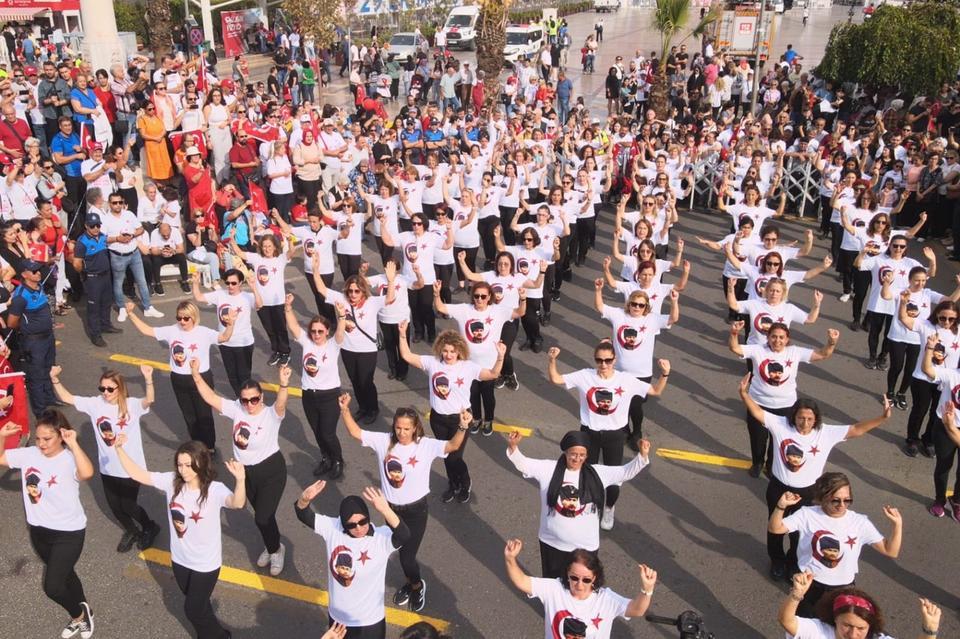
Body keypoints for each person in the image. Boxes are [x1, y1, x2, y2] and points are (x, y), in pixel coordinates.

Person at [740, 376, 891, 581]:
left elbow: (856, 429)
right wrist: (744, 394)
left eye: (810, 419)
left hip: (808, 492)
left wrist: (881, 418)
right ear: (794, 416)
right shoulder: (780, 424)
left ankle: (794, 562)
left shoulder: (825, 432)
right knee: (775, 527)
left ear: (816, 419)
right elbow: (757, 413)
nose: (805, 423)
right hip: (779, 488)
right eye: (801, 418)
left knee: (800, 532)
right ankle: (776, 560)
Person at [341, 396, 472, 612]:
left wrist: (463, 425)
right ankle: (410, 582)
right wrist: (345, 410)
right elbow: (356, 433)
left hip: (416, 511)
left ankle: (417, 585)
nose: (402, 432)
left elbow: (454, 445)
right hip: (390, 510)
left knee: (406, 557)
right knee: (401, 551)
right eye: (398, 428)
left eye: (406, 428)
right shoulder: (384, 441)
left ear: (415, 429)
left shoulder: (426, 446)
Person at [115, 437, 246, 639]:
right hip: (180, 560)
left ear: (201, 463)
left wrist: (240, 480)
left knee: (192, 610)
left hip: (206, 564)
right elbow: (138, 474)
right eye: (180, 464)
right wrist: (118, 448)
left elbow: (237, 503)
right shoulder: (171, 482)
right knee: (199, 607)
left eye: (188, 465)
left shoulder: (214, 490)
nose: (183, 470)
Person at [546, 343, 670, 530]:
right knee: (587, 475)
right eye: (599, 360)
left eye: (608, 360)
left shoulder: (626, 380)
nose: (603, 364)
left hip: (614, 436)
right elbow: (555, 379)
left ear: (614, 360)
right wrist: (552, 360)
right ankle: (590, 506)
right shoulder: (585, 376)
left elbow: (655, 391)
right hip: (589, 434)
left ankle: (609, 507)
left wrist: (665, 374)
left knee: (614, 479)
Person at [0, 409, 96, 639]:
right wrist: (2, 435)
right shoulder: (30, 454)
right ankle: (86, 609)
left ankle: (79, 616)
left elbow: (88, 473)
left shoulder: (71, 458)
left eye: (47, 439)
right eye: (38, 438)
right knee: (65, 574)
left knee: (52, 587)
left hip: (69, 533)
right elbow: (1, 458)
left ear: (61, 436)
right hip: (39, 531)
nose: (41, 444)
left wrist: (74, 444)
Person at [191, 360, 291, 576]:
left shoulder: (271, 414)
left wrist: (283, 385)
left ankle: (276, 550)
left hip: (271, 471)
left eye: (254, 399)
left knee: (262, 517)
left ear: (261, 397)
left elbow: (281, 404)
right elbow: (211, 398)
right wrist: (196, 375)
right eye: (245, 400)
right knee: (263, 516)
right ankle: (272, 544)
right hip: (245, 474)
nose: (250, 404)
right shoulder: (237, 409)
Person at [507, 429, 651, 578]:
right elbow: (523, 463)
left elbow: (625, 472)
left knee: (580, 588)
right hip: (551, 542)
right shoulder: (548, 469)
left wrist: (642, 455)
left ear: (587, 455)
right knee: (552, 586)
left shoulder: (597, 474)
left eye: (582, 455)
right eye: (573, 454)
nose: (577, 459)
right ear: (566, 453)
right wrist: (513, 446)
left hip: (585, 547)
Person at [50, 365, 162, 553]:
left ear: (120, 388)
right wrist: (55, 378)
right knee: (114, 506)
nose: (106, 392)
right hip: (108, 468)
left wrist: (148, 378)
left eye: (110, 389)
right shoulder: (95, 404)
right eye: (102, 388)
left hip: (130, 467)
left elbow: (149, 399)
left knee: (128, 504)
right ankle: (132, 531)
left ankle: (149, 526)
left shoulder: (131, 405)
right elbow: (67, 398)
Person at [769, 472, 903, 616]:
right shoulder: (807, 514)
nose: (842, 505)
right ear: (823, 498)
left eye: (847, 500)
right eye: (835, 500)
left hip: (843, 589)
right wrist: (781, 506)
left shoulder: (860, 522)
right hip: (809, 585)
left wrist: (897, 525)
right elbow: (775, 528)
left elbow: (890, 551)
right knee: (805, 627)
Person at [398, 325, 504, 502]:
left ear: (459, 351)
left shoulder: (468, 367)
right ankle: (453, 484)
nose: (448, 355)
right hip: (438, 419)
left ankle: (464, 481)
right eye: (445, 350)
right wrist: (402, 335)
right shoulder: (433, 363)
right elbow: (407, 356)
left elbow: (493, 374)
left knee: (455, 456)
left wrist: (500, 356)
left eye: (452, 351)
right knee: (445, 454)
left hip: (460, 420)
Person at [294, 481, 410, 638]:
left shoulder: (380, 538)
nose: (359, 528)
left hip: (370, 622)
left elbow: (404, 535)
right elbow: (303, 514)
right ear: (343, 524)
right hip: (338, 620)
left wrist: (385, 509)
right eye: (351, 525)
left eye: (363, 521)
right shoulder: (333, 529)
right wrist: (304, 499)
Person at [729, 321, 839, 477]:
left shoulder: (794, 352)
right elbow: (735, 348)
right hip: (758, 404)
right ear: (768, 337)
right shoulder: (758, 350)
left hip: (785, 407)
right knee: (757, 438)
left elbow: (823, 354)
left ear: (787, 339)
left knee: (778, 440)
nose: (777, 341)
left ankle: (771, 466)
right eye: (773, 337)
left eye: (781, 337)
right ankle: (757, 463)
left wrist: (831, 342)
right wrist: (734, 334)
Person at [124, 300, 236, 453]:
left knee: (204, 415)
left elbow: (224, 338)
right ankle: (197, 445)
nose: (182, 322)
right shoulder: (172, 330)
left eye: (185, 318)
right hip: (178, 378)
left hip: (201, 378)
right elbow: (147, 330)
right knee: (189, 415)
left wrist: (230, 324)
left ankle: (209, 446)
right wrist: (131, 314)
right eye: (179, 318)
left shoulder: (204, 332)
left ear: (194, 317)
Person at [503, 538, 657, 639]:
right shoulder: (554, 589)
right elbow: (522, 581)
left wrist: (647, 590)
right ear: (567, 574)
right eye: (574, 578)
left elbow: (637, 610)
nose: (579, 584)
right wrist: (510, 559)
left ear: (595, 578)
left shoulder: (606, 599)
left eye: (587, 579)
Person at [311, 258, 398, 424]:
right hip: (347, 348)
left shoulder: (372, 303)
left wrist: (391, 280)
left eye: (357, 291)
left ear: (363, 292)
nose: (352, 294)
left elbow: (389, 298)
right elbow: (322, 289)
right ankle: (363, 407)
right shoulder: (342, 299)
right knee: (355, 380)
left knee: (366, 381)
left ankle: (372, 409)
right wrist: (315, 270)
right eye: (350, 291)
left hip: (367, 350)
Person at [595, 279, 679, 450]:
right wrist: (598, 290)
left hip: (641, 372)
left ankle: (637, 432)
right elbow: (600, 307)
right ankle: (624, 429)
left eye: (641, 305)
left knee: (635, 405)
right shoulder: (619, 314)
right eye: (634, 304)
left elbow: (673, 318)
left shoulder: (652, 320)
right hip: (618, 371)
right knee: (619, 401)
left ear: (646, 307)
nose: (637, 308)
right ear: (629, 304)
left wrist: (675, 301)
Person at [434, 281, 522, 435]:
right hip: (467, 365)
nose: (479, 299)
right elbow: (441, 307)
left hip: (488, 365)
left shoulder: (498, 311)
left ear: (489, 297)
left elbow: (520, 312)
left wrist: (523, 299)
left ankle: (488, 420)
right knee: (472, 394)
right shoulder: (464, 310)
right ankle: (476, 418)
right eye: (476, 296)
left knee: (488, 395)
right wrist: (436, 294)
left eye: (483, 296)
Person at [285, 292, 347, 478]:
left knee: (327, 433)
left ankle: (337, 460)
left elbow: (341, 332)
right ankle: (325, 458)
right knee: (317, 431)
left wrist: (341, 315)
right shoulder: (307, 343)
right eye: (313, 331)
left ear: (327, 331)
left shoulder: (333, 345)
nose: (316, 334)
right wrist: (288, 308)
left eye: (320, 331)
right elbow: (294, 327)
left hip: (329, 396)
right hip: (309, 395)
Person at [779, 571, 941, 639]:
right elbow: (787, 621)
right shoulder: (819, 632)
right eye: (847, 625)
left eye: (861, 628)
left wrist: (930, 631)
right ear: (835, 619)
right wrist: (796, 594)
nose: (853, 634)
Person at [192, 268, 263, 397]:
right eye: (228, 283)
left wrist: (254, 288)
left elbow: (259, 304)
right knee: (232, 376)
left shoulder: (247, 296)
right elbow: (199, 297)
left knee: (244, 375)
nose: (230, 286)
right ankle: (240, 398)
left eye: (234, 283)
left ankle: (249, 399)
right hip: (225, 342)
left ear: (240, 283)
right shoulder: (220, 295)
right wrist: (196, 283)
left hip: (243, 343)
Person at [230, 232, 297, 367]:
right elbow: (240, 253)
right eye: (264, 246)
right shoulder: (256, 258)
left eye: (269, 246)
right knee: (269, 329)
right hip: (261, 302)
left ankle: (285, 352)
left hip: (278, 302)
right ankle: (276, 351)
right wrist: (232, 239)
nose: (267, 249)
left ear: (275, 247)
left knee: (280, 328)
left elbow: (291, 252)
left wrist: (290, 240)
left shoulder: (280, 259)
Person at [7, 258, 57, 417]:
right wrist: (28, 328)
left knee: (49, 368)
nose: (38, 273)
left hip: (48, 337)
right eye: (34, 271)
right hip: (34, 341)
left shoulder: (39, 286)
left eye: (38, 270)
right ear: (24, 274)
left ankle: (50, 398)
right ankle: (40, 410)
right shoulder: (20, 296)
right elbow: (12, 322)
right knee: (35, 375)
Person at [72, 211, 123, 347]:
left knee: (106, 303)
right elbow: (76, 263)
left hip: (105, 275)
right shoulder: (82, 242)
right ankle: (95, 334)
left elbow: (107, 240)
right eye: (92, 226)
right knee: (94, 308)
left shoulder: (101, 236)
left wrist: (118, 238)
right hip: (93, 278)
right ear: (86, 226)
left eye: (98, 225)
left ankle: (106, 325)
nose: (95, 228)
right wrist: (84, 273)